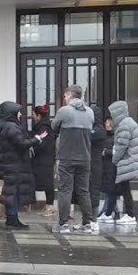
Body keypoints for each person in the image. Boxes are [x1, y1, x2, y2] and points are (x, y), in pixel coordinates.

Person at [50, 86, 96, 234]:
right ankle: (87, 223)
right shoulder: (90, 112)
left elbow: (54, 126)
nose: (64, 98)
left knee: (65, 190)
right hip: (85, 157)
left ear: (70, 95)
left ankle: (63, 224)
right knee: (83, 191)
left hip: (66, 156)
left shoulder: (64, 111)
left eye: (65, 95)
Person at [0, 101, 36, 229]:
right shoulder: (12, 127)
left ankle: (4, 214)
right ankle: (12, 217)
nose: (20, 114)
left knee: (2, 190)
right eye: (18, 112)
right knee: (12, 192)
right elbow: (21, 144)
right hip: (13, 164)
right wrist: (37, 139)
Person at [106, 100, 138, 224]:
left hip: (126, 161)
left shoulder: (124, 125)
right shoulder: (129, 122)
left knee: (124, 188)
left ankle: (130, 214)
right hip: (129, 160)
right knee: (117, 187)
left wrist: (114, 160)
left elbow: (121, 145)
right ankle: (108, 213)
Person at [30, 105, 56, 216]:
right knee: (47, 183)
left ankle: (50, 206)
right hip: (46, 158)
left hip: (44, 159)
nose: (32, 116)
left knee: (48, 184)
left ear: (38, 115)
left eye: (33, 114)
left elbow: (42, 143)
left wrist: (33, 148)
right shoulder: (44, 126)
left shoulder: (43, 128)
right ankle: (48, 205)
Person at [89, 105, 108, 218]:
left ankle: (93, 219)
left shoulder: (99, 130)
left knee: (94, 191)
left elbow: (88, 135)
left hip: (95, 163)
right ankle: (88, 218)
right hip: (90, 162)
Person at [97, 115, 117, 221]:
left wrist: (106, 152)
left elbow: (117, 151)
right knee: (109, 190)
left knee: (111, 190)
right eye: (107, 123)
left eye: (110, 123)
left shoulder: (116, 136)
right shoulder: (103, 136)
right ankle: (113, 211)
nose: (108, 125)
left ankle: (106, 212)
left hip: (113, 166)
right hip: (104, 166)